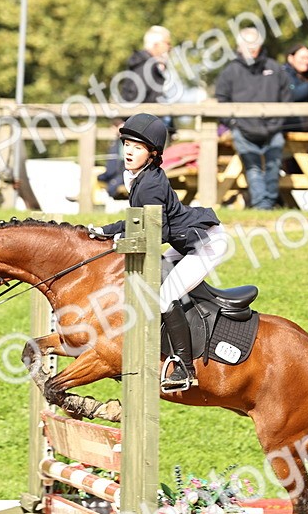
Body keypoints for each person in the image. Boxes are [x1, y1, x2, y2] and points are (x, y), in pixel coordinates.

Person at [88, 113, 227, 394]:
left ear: (152, 153)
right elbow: (136, 219)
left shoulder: (150, 184)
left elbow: (157, 234)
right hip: (186, 243)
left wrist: (118, 240)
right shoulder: (140, 177)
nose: (128, 150)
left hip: (205, 245)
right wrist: (102, 230)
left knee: (165, 297)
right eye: (127, 143)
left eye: (137, 147)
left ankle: (185, 370)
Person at [215, 28, 291, 210]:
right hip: (243, 129)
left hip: (273, 129)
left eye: (255, 44)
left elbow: (286, 97)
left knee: (273, 166)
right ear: (240, 47)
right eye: (248, 45)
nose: (252, 49)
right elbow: (221, 100)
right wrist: (234, 124)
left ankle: (269, 202)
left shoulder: (274, 68)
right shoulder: (230, 71)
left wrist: (277, 123)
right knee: (253, 167)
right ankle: (262, 205)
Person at [119, 25, 172, 106]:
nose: (169, 47)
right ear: (156, 45)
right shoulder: (145, 67)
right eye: (167, 43)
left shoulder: (150, 66)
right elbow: (132, 99)